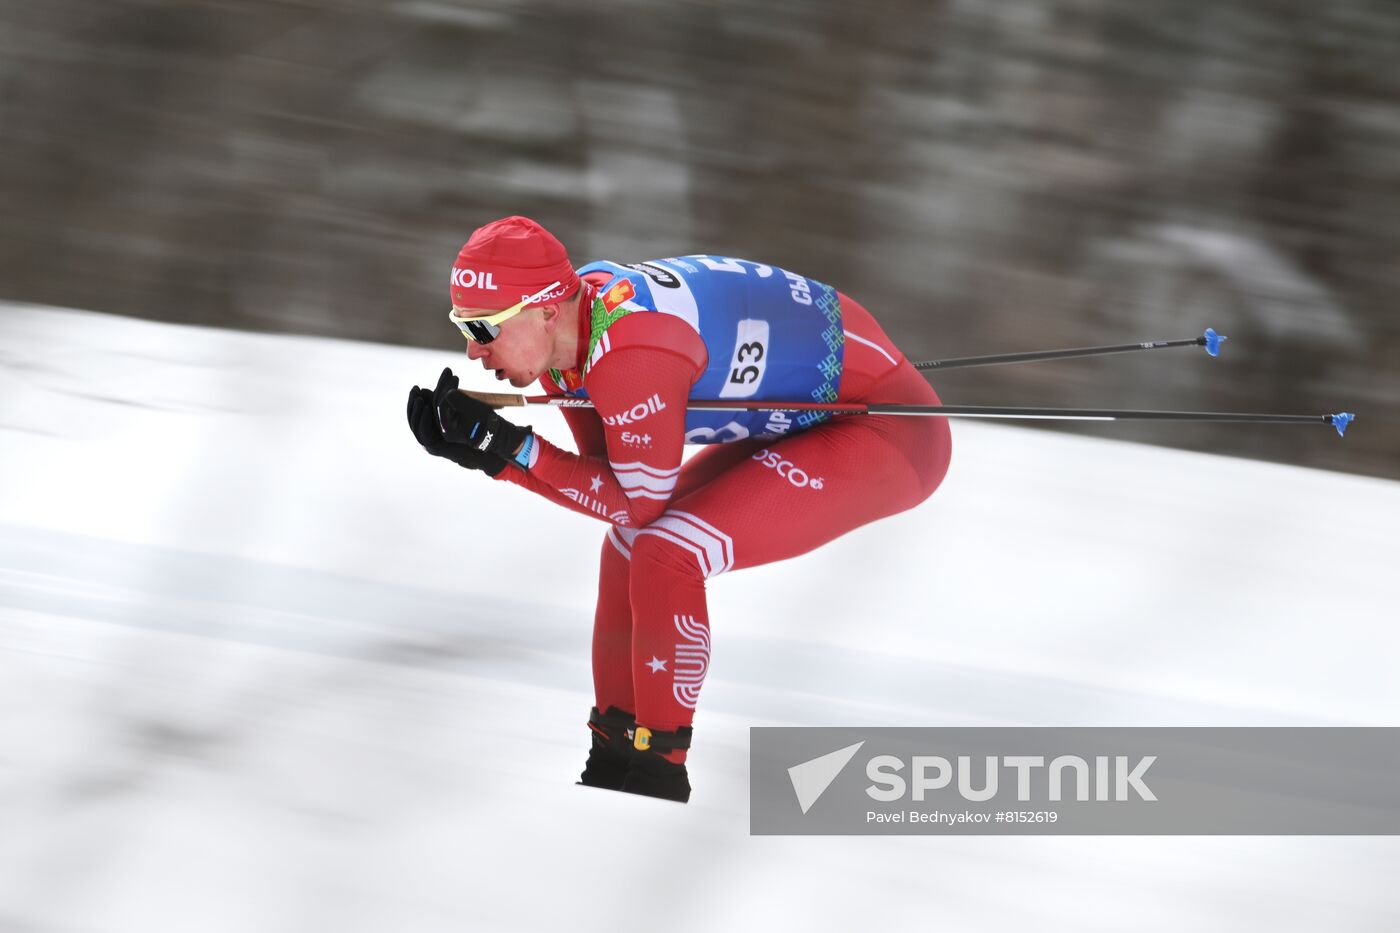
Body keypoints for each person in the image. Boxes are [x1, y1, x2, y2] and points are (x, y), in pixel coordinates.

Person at [406, 216, 952, 803]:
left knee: (669, 553)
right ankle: (610, 761)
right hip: (810, 410)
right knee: (627, 548)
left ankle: (658, 774)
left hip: (888, 431)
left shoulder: (629, 352)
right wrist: (496, 454)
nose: (472, 348)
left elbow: (636, 505)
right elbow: (611, 487)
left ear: (544, 309)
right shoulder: (576, 334)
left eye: (484, 327)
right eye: (463, 324)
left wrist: (508, 452)